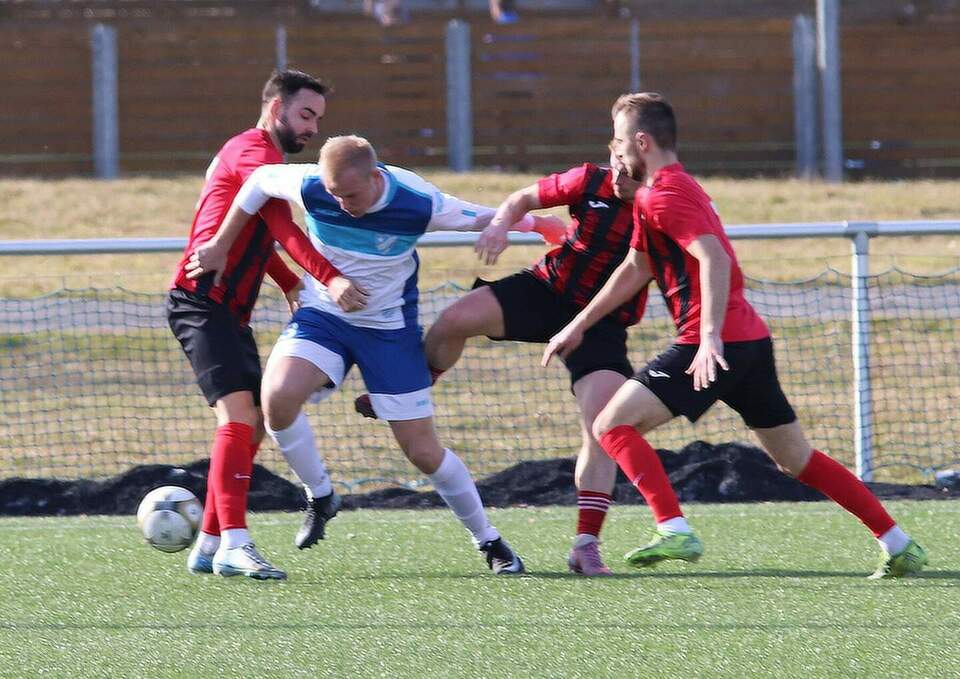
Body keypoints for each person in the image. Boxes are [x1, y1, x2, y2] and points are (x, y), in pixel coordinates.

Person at [543, 92, 928, 579]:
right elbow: (636, 267)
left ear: (641, 142)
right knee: (796, 459)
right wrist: (578, 324)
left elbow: (715, 258)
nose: (613, 152)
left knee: (611, 425)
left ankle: (673, 528)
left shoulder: (664, 196)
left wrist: (707, 337)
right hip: (749, 341)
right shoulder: (660, 192)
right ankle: (898, 543)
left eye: (618, 142)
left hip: (713, 342)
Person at [189, 134, 536, 574]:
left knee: (422, 452)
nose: (342, 204)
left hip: (389, 330)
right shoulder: (312, 183)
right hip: (323, 317)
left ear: (375, 176)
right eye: (334, 194)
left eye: (351, 195)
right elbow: (258, 182)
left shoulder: (416, 200)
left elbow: (482, 217)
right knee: (276, 397)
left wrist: (539, 225)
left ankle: (489, 540)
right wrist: (221, 244)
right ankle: (320, 494)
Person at [355, 145, 648, 576]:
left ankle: (586, 544)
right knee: (452, 321)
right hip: (545, 291)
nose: (620, 176)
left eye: (631, 172)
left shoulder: (663, 206)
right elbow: (522, 198)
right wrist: (498, 226)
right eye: (617, 163)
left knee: (602, 426)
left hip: (601, 322)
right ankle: (413, 388)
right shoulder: (589, 180)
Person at [167, 69, 366, 581]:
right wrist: (329, 278)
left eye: (318, 119)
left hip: (227, 311)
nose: (313, 129)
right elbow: (281, 226)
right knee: (238, 418)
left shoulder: (259, 157)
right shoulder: (251, 151)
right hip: (200, 302)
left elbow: (258, 234)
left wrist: (290, 283)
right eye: (305, 115)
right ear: (276, 108)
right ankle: (235, 544)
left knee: (253, 422)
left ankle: (210, 542)